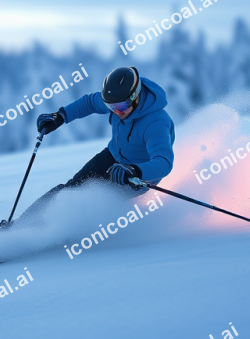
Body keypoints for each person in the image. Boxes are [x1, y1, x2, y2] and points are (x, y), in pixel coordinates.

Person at [16, 66, 174, 223]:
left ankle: (60, 231)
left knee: (87, 202)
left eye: (120, 107)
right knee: (69, 191)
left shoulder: (156, 123)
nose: (116, 112)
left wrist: (135, 170)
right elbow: (89, 103)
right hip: (112, 156)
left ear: (135, 97)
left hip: (136, 175)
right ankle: (21, 225)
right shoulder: (117, 100)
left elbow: (163, 162)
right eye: (111, 107)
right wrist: (60, 116)